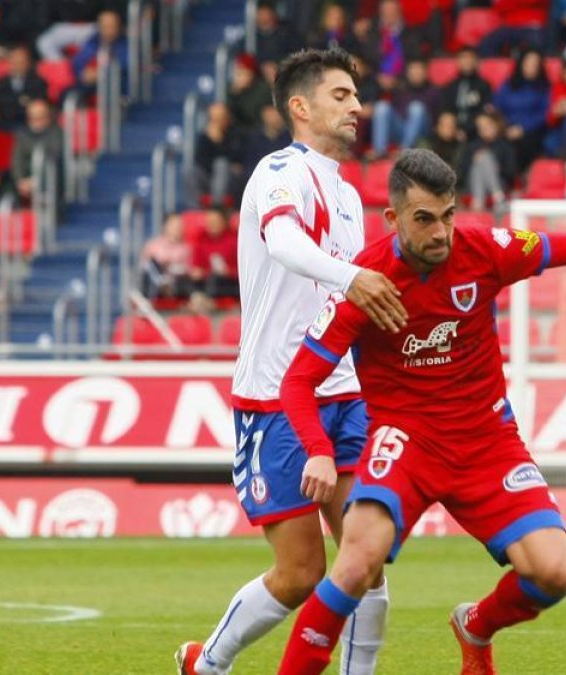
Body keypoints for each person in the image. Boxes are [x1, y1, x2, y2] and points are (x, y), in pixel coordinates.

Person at [274, 149, 566, 674]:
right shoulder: (364, 284)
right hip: (406, 442)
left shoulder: (484, 250)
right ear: (394, 219)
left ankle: (477, 625)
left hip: (488, 442)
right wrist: (319, 452)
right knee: (356, 562)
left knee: (553, 574)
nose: (441, 232)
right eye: (424, 219)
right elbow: (298, 381)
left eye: (448, 215)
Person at [176, 47, 407, 675]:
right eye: (340, 96)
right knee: (301, 572)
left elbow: (351, 300)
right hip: (275, 398)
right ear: (301, 107)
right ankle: (208, 662)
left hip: (346, 394)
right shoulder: (279, 171)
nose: (357, 106)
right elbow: (283, 243)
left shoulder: (352, 197)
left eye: (357, 96)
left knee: (366, 556)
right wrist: (355, 276)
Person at [493, 49, 551, 175]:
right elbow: (498, 108)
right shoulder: (508, 85)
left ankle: (522, 178)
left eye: (536, 64)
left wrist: (523, 128)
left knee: (526, 143)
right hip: (507, 128)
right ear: (521, 64)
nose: (532, 67)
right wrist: (505, 128)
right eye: (529, 63)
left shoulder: (544, 87)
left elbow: (544, 114)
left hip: (533, 131)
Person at [370, 58, 439, 159]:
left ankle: (404, 152)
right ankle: (380, 151)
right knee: (381, 106)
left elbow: (437, 118)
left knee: (416, 108)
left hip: (422, 131)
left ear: (425, 73)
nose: (416, 74)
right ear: (408, 73)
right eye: (413, 71)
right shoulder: (400, 88)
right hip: (401, 128)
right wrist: (384, 87)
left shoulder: (434, 91)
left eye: (419, 71)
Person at [440, 47, 494, 138]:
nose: (467, 61)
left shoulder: (484, 85)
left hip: (475, 128)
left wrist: (467, 129)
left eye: (470, 58)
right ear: (458, 62)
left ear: (476, 62)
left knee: (484, 121)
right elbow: (445, 108)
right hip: (453, 128)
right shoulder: (450, 85)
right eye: (463, 58)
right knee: (446, 120)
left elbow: (485, 109)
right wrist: (454, 127)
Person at [0, 44, 50, 131]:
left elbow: (40, 101)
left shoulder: (38, 82)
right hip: (4, 122)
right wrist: (21, 101)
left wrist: (14, 102)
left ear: (28, 62)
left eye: (21, 61)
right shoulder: (0, 83)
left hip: (30, 124)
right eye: (14, 61)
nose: (17, 64)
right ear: (9, 62)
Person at [190, 207, 239, 299]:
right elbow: (196, 266)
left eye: (215, 221)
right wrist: (198, 272)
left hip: (229, 283)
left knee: (214, 280)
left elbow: (242, 271)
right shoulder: (201, 239)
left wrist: (228, 272)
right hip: (205, 282)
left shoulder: (235, 240)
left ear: (224, 221)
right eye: (209, 221)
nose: (212, 224)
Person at [141, 213, 193, 299]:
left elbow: (189, 269)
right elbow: (145, 266)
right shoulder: (153, 245)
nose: (177, 228)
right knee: (153, 265)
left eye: (179, 225)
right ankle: (162, 284)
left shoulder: (186, 248)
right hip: (155, 284)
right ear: (165, 226)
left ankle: (165, 286)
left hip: (178, 284)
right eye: (173, 225)